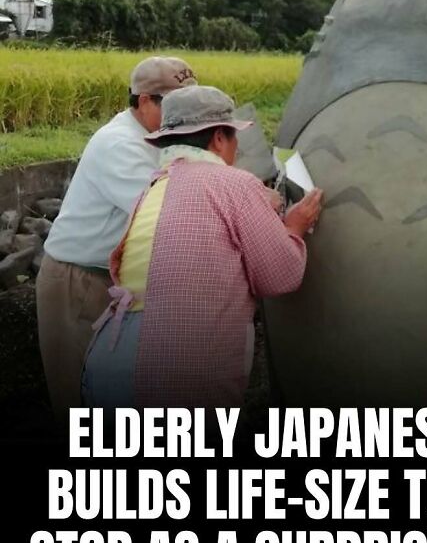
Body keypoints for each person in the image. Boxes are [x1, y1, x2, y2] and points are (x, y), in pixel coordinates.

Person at [81, 85, 322, 410]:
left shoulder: (153, 189)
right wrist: (293, 227)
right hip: (176, 372)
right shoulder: (235, 184)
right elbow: (280, 276)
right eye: (234, 137)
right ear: (219, 139)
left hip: (110, 358)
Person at [36, 56, 197, 419]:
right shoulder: (120, 144)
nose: (184, 117)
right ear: (143, 101)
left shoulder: (157, 138)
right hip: (77, 281)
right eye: (175, 106)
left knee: (116, 397)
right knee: (78, 398)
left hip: (115, 282)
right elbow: (164, 209)